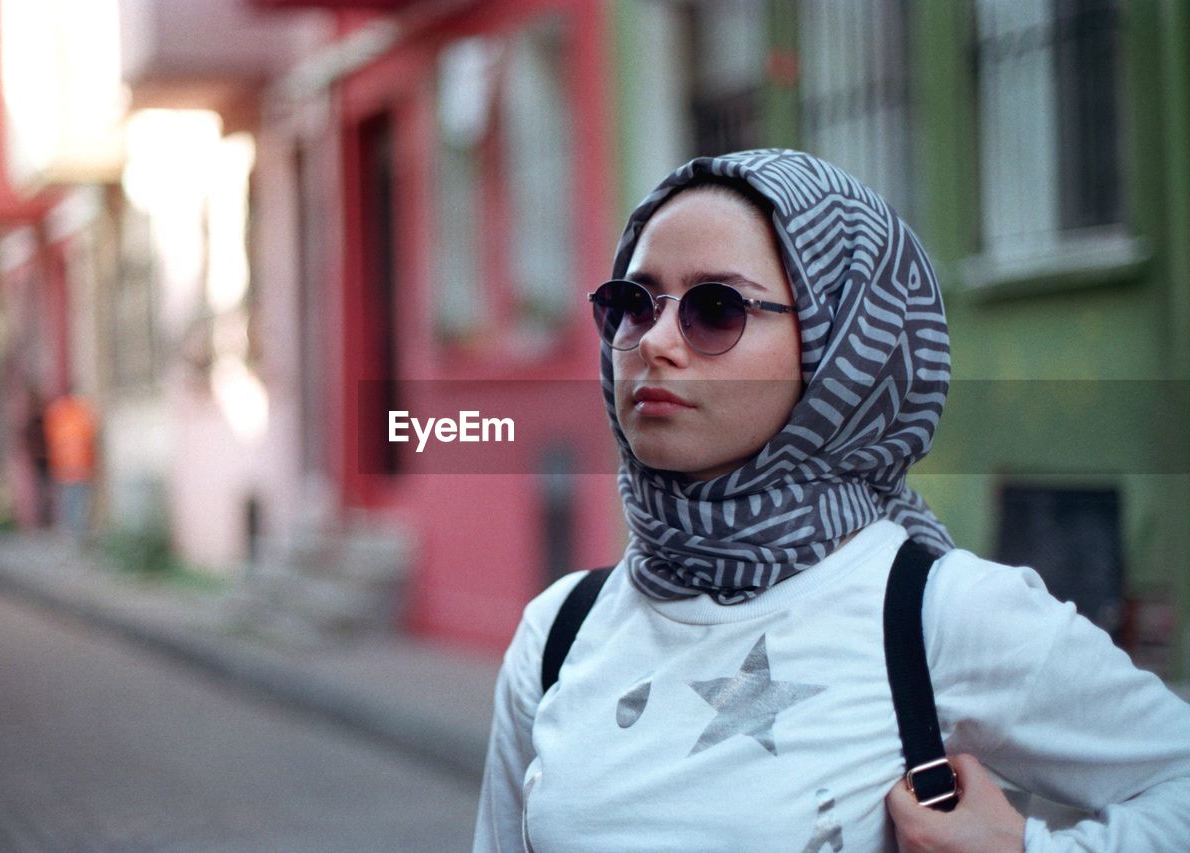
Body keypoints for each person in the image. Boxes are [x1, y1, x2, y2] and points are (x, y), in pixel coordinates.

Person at [473, 150, 1190, 852]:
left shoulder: (940, 616)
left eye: (715, 309)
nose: (655, 342)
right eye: (633, 303)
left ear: (839, 350)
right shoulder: (559, 631)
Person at [44, 391, 97, 544]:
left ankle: (71, 531)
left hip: (66, 468)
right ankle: (76, 531)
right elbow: (89, 436)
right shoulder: (78, 415)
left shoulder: (57, 415)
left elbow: (53, 441)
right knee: (77, 499)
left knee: (70, 499)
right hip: (79, 466)